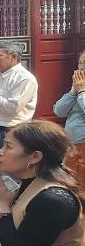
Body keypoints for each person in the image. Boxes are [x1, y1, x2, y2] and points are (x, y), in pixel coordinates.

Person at [0, 41, 38, 161]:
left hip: (8, 132)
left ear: (13, 57)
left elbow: (12, 108)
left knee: (8, 172)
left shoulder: (25, 78)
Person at [53, 51, 85, 184]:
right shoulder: (78, 85)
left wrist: (82, 91)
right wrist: (73, 91)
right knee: (71, 181)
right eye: (80, 63)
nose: (81, 68)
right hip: (72, 144)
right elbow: (59, 111)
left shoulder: (81, 87)